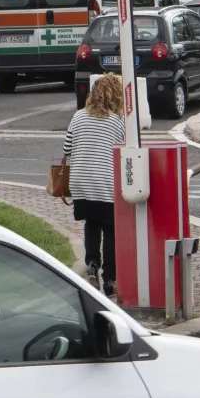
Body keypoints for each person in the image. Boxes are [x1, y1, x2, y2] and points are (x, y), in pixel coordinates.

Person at [62, 74, 126, 296]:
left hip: (80, 183)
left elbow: (66, 149)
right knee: (110, 228)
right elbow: (125, 152)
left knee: (91, 223)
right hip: (105, 183)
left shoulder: (78, 117)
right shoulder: (118, 121)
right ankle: (110, 278)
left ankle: (91, 265)